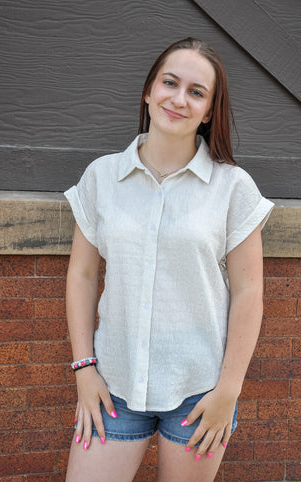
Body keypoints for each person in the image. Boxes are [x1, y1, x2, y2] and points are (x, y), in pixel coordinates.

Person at [64, 37, 274, 482]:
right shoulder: (102, 176)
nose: (179, 99)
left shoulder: (233, 188)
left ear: (210, 110)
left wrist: (228, 392)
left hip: (199, 394)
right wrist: (84, 370)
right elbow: (82, 275)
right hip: (112, 389)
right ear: (148, 91)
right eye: (170, 83)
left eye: (196, 92)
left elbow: (249, 292)